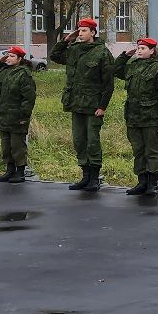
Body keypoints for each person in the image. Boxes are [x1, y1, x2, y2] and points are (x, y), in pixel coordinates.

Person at [51, 18, 116, 194]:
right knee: (79, 141)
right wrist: (66, 40)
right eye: (79, 31)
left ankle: (94, 178)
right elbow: (54, 56)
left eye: (84, 31)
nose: (80, 33)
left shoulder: (102, 53)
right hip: (76, 104)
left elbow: (108, 83)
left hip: (93, 105)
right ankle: (85, 176)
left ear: (93, 33)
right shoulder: (73, 50)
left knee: (92, 142)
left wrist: (103, 106)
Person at [115, 37, 158, 196]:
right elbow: (115, 70)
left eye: (143, 48)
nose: (139, 51)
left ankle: (152, 184)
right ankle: (142, 181)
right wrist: (125, 56)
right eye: (138, 48)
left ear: (152, 50)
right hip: (134, 116)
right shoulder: (133, 67)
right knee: (138, 150)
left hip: (152, 118)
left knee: (151, 151)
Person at [0, 46, 37, 183]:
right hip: (3, 116)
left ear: (19, 59)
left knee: (17, 146)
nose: (9, 58)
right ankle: (9, 170)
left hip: (17, 117)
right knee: (6, 146)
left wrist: (23, 117)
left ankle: (20, 172)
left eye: (12, 56)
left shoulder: (24, 74)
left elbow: (29, 98)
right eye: (8, 55)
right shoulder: (4, 71)